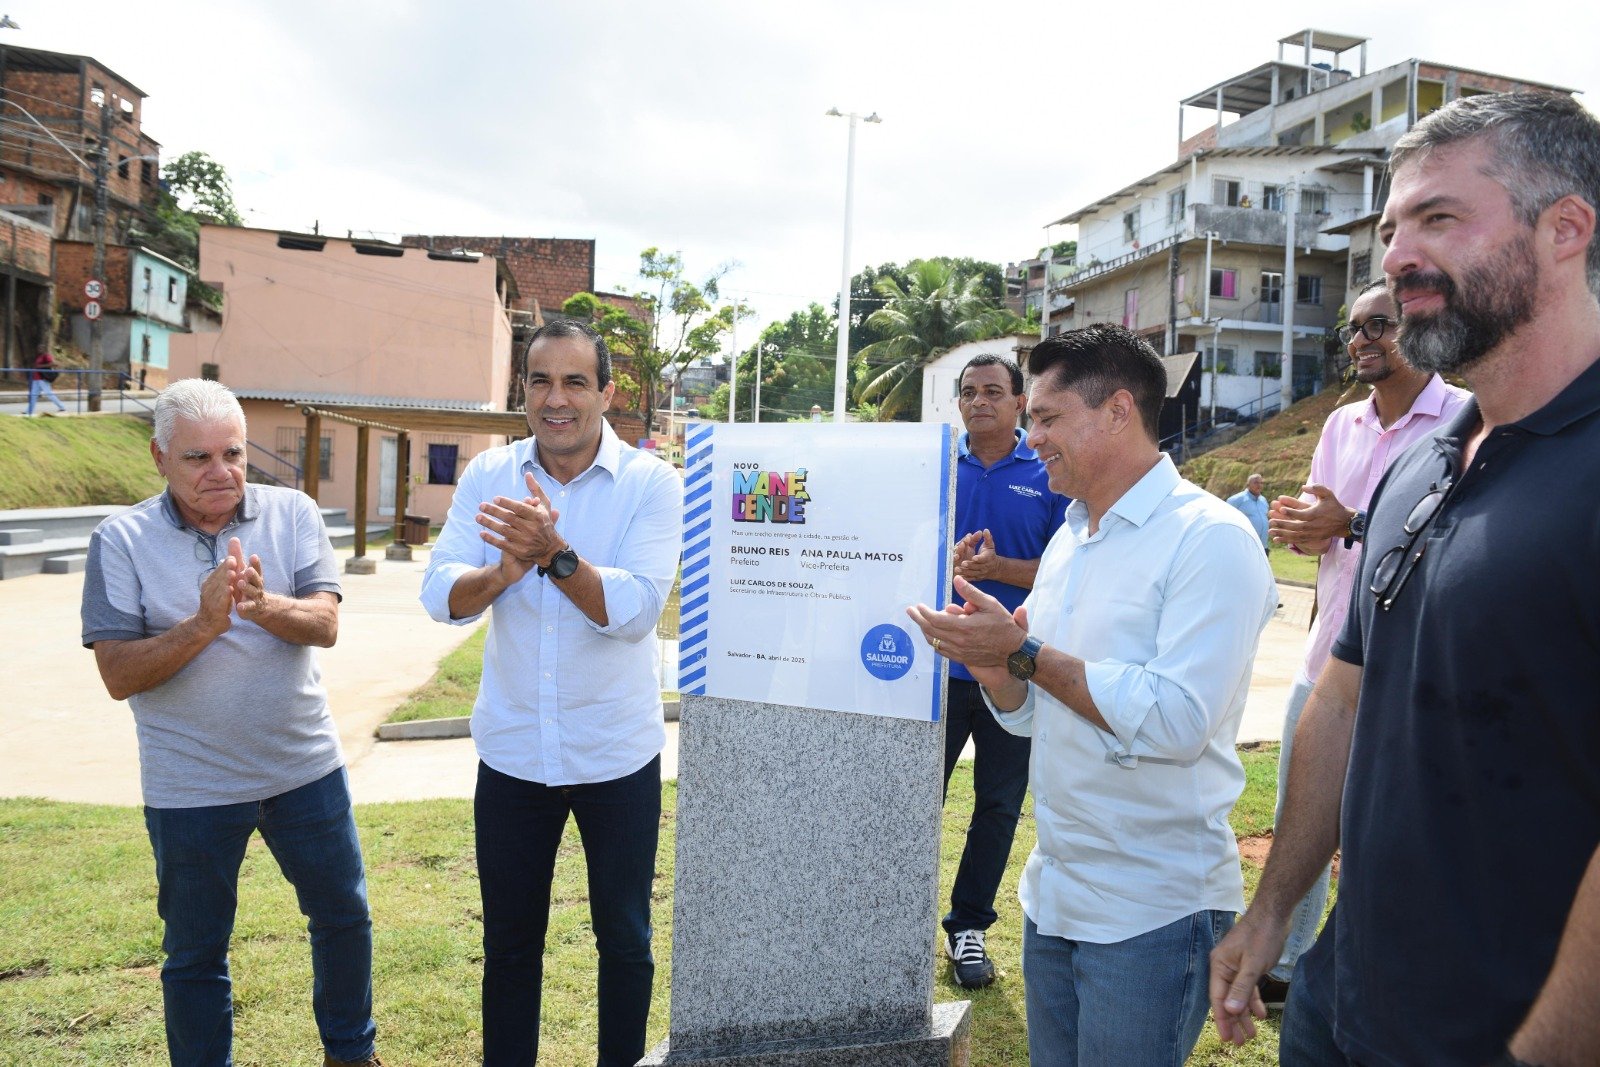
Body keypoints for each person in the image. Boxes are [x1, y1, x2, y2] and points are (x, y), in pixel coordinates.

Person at [1210, 91, 1600, 1067]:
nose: (1394, 255)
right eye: (1390, 228)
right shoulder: (1419, 467)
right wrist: (1271, 910)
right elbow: (1342, 702)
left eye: (1438, 218)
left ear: (1565, 228)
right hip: (1341, 1006)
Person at [908, 323, 1276, 1066]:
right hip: (1056, 896)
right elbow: (1034, 713)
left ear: (1117, 410)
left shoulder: (1211, 539)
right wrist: (997, 671)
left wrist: (1028, 655)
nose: (1032, 435)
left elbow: (1176, 720)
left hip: (1152, 908)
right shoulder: (1072, 536)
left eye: (1046, 417)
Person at [79, 378, 380, 1067]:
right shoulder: (120, 539)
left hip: (303, 767)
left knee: (342, 916)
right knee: (194, 952)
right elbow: (119, 673)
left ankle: (351, 1053)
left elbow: (326, 623)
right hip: (190, 786)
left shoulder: (294, 511)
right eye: (198, 458)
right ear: (158, 457)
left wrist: (261, 605)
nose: (222, 472)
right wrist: (204, 624)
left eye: (234, 453)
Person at [421, 319, 681, 1067]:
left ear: (606, 391)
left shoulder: (651, 484)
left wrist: (554, 555)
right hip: (512, 755)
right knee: (508, 945)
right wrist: (500, 574)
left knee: (625, 940)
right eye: (540, 380)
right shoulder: (488, 477)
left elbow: (631, 613)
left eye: (574, 381)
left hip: (616, 757)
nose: (556, 398)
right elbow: (442, 592)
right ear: (523, 390)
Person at [1253, 280, 1470, 1008]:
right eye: (1353, 330)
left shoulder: (1467, 420)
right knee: (1299, 816)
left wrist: (1346, 524)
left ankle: (1381, 969)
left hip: (1412, 673)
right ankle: (1287, 967)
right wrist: (1302, 528)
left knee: (1394, 832)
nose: (1362, 341)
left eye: (1380, 325)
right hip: (1328, 666)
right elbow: (1325, 523)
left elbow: (1453, 539)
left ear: (1420, 328)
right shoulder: (1341, 425)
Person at [939, 353, 1069, 989]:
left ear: (1021, 402)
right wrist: (948, 567)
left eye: (994, 391)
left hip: (1013, 673)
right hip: (934, 672)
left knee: (997, 806)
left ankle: (968, 927)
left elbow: (1066, 571)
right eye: (968, 392)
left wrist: (998, 570)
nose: (979, 401)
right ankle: (889, 919)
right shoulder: (936, 466)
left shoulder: (1048, 471)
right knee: (912, 804)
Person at [1226, 473, 1270, 552]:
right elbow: (1226, 518)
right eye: (1256, 482)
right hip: (1245, 546)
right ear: (1248, 484)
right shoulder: (1237, 499)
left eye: (1261, 483)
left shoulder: (1263, 500)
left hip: (1263, 546)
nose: (1259, 485)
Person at [27, 347, 67, 415]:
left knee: (49, 394)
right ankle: (28, 411)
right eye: (38, 349)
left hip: (42, 378)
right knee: (33, 395)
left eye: (41, 348)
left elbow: (53, 364)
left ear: (44, 349)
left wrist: (40, 366)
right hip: (36, 379)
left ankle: (62, 407)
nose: (39, 350)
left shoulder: (46, 356)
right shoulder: (38, 357)